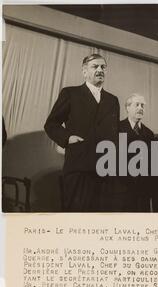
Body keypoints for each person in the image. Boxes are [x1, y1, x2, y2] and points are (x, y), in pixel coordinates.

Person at [44, 53, 120, 211]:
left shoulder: (113, 100)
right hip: (79, 167)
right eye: (95, 66)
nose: (100, 70)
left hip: (106, 171)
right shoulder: (70, 93)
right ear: (84, 71)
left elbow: (115, 133)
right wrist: (68, 138)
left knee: (103, 222)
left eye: (103, 67)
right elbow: (51, 124)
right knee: (77, 219)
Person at [119, 94, 154, 211]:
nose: (140, 108)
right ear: (127, 108)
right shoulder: (117, 128)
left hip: (143, 191)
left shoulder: (149, 133)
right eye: (137, 105)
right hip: (121, 190)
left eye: (143, 106)